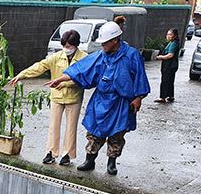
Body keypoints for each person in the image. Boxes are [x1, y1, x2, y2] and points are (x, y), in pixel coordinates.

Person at [46, 21, 150, 176]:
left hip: (121, 101)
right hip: (101, 99)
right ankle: (90, 159)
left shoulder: (131, 55)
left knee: (117, 134)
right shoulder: (101, 56)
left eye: (105, 43)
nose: (103, 46)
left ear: (115, 40)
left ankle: (111, 163)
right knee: (95, 131)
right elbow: (81, 69)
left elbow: (140, 77)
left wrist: (139, 97)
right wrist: (61, 79)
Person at [10, 30, 87, 165]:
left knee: (71, 127)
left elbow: (85, 78)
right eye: (64, 46)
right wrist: (22, 74)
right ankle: (50, 152)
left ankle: (67, 154)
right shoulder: (57, 56)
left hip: (74, 97)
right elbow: (40, 66)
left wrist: (65, 84)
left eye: (69, 47)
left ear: (76, 45)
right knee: (53, 125)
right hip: (56, 96)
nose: (66, 49)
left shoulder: (84, 58)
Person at [155, 28, 180, 103]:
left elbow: (170, 55)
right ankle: (170, 95)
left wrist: (160, 57)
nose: (168, 36)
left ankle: (162, 97)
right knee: (170, 80)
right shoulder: (172, 43)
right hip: (172, 64)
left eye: (170, 34)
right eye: (168, 34)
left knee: (165, 80)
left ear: (175, 36)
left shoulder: (173, 44)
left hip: (169, 64)